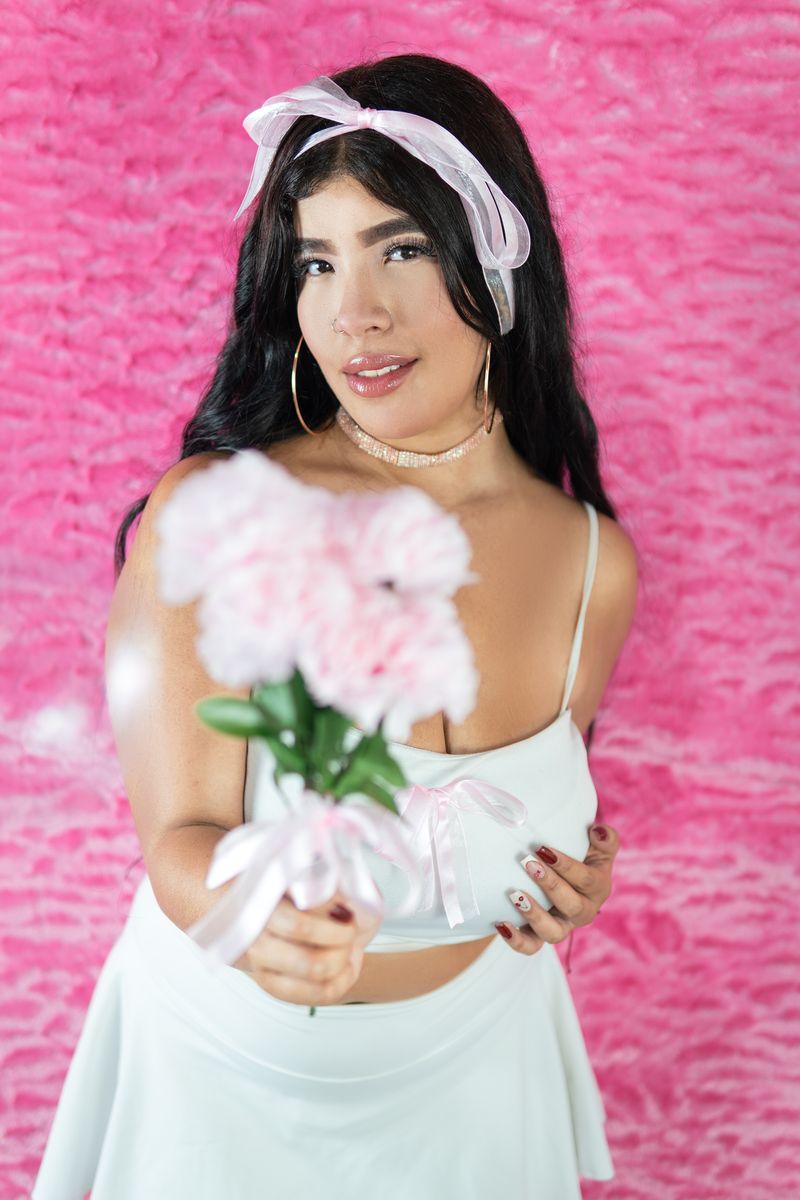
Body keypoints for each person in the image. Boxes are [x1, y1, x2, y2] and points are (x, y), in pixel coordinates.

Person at [33, 53, 638, 1200]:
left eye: (398, 249)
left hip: (478, 1080)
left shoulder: (591, 564)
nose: (353, 313)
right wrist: (249, 915)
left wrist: (569, 875)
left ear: (495, 254)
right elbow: (182, 837)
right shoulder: (225, 514)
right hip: (228, 1080)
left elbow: (509, 822)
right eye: (316, 262)